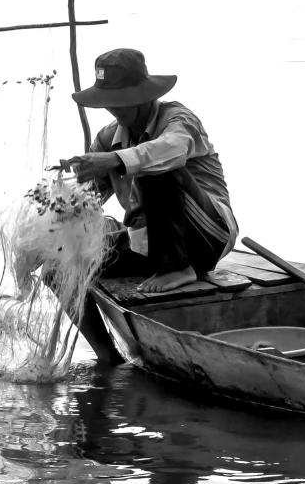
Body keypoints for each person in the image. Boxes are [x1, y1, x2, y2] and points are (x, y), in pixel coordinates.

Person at [57, 48, 238, 361]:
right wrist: (65, 210)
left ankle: (179, 268)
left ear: (142, 93)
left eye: (123, 97)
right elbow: (90, 200)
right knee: (59, 264)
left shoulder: (178, 118)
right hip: (149, 243)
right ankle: (107, 357)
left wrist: (115, 159)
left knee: (157, 166)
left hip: (207, 236)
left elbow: (173, 149)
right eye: (109, 99)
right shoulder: (107, 138)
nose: (114, 108)